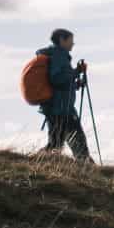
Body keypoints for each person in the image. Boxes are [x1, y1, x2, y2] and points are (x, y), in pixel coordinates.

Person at [37, 28, 92, 162]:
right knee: (77, 143)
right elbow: (57, 79)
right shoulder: (58, 55)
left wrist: (76, 83)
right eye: (71, 41)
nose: (73, 44)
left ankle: (39, 161)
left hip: (57, 108)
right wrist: (76, 72)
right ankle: (88, 168)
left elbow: (61, 82)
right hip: (61, 109)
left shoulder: (56, 55)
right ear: (62, 39)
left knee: (55, 144)